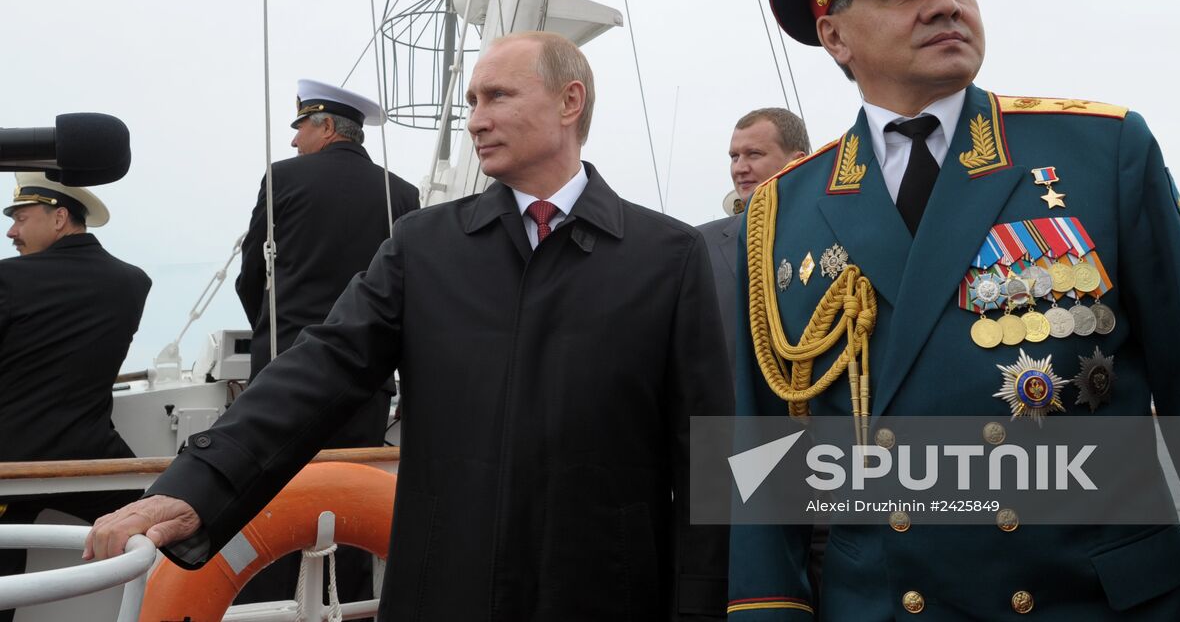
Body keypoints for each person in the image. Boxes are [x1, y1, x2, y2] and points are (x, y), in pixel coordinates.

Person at [727, 0, 1180, 620]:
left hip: (1090, 601)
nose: (943, 5)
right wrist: (768, 606)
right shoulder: (784, 208)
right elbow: (763, 450)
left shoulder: (1101, 150)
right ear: (834, 35)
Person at [86, 32, 731, 621]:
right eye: (473, 98)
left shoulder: (666, 256)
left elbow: (708, 450)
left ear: (570, 102)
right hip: (445, 590)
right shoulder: (425, 247)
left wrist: (702, 607)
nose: (476, 119)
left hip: (603, 594)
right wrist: (194, 488)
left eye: (498, 96)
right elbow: (322, 368)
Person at [232, 79, 420, 605]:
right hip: (367, 383)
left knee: (275, 493)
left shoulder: (283, 178)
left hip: (285, 372)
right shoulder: (401, 194)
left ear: (327, 127)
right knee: (351, 495)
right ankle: (353, 605)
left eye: (301, 128)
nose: (293, 142)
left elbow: (252, 276)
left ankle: (272, 608)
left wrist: (273, 334)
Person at [0, 175, 150, 622]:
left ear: (60, 217)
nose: (11, 232)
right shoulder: (132, 283)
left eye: (22, 219)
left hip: (8, 464)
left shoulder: (8, 279)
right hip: (89, 459)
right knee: (162, 522)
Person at [697, 107, 808, 368]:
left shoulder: (835, 234)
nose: (739, 168)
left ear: (798, 161)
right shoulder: (699, 244)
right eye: (734, 157)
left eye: (754, 154)